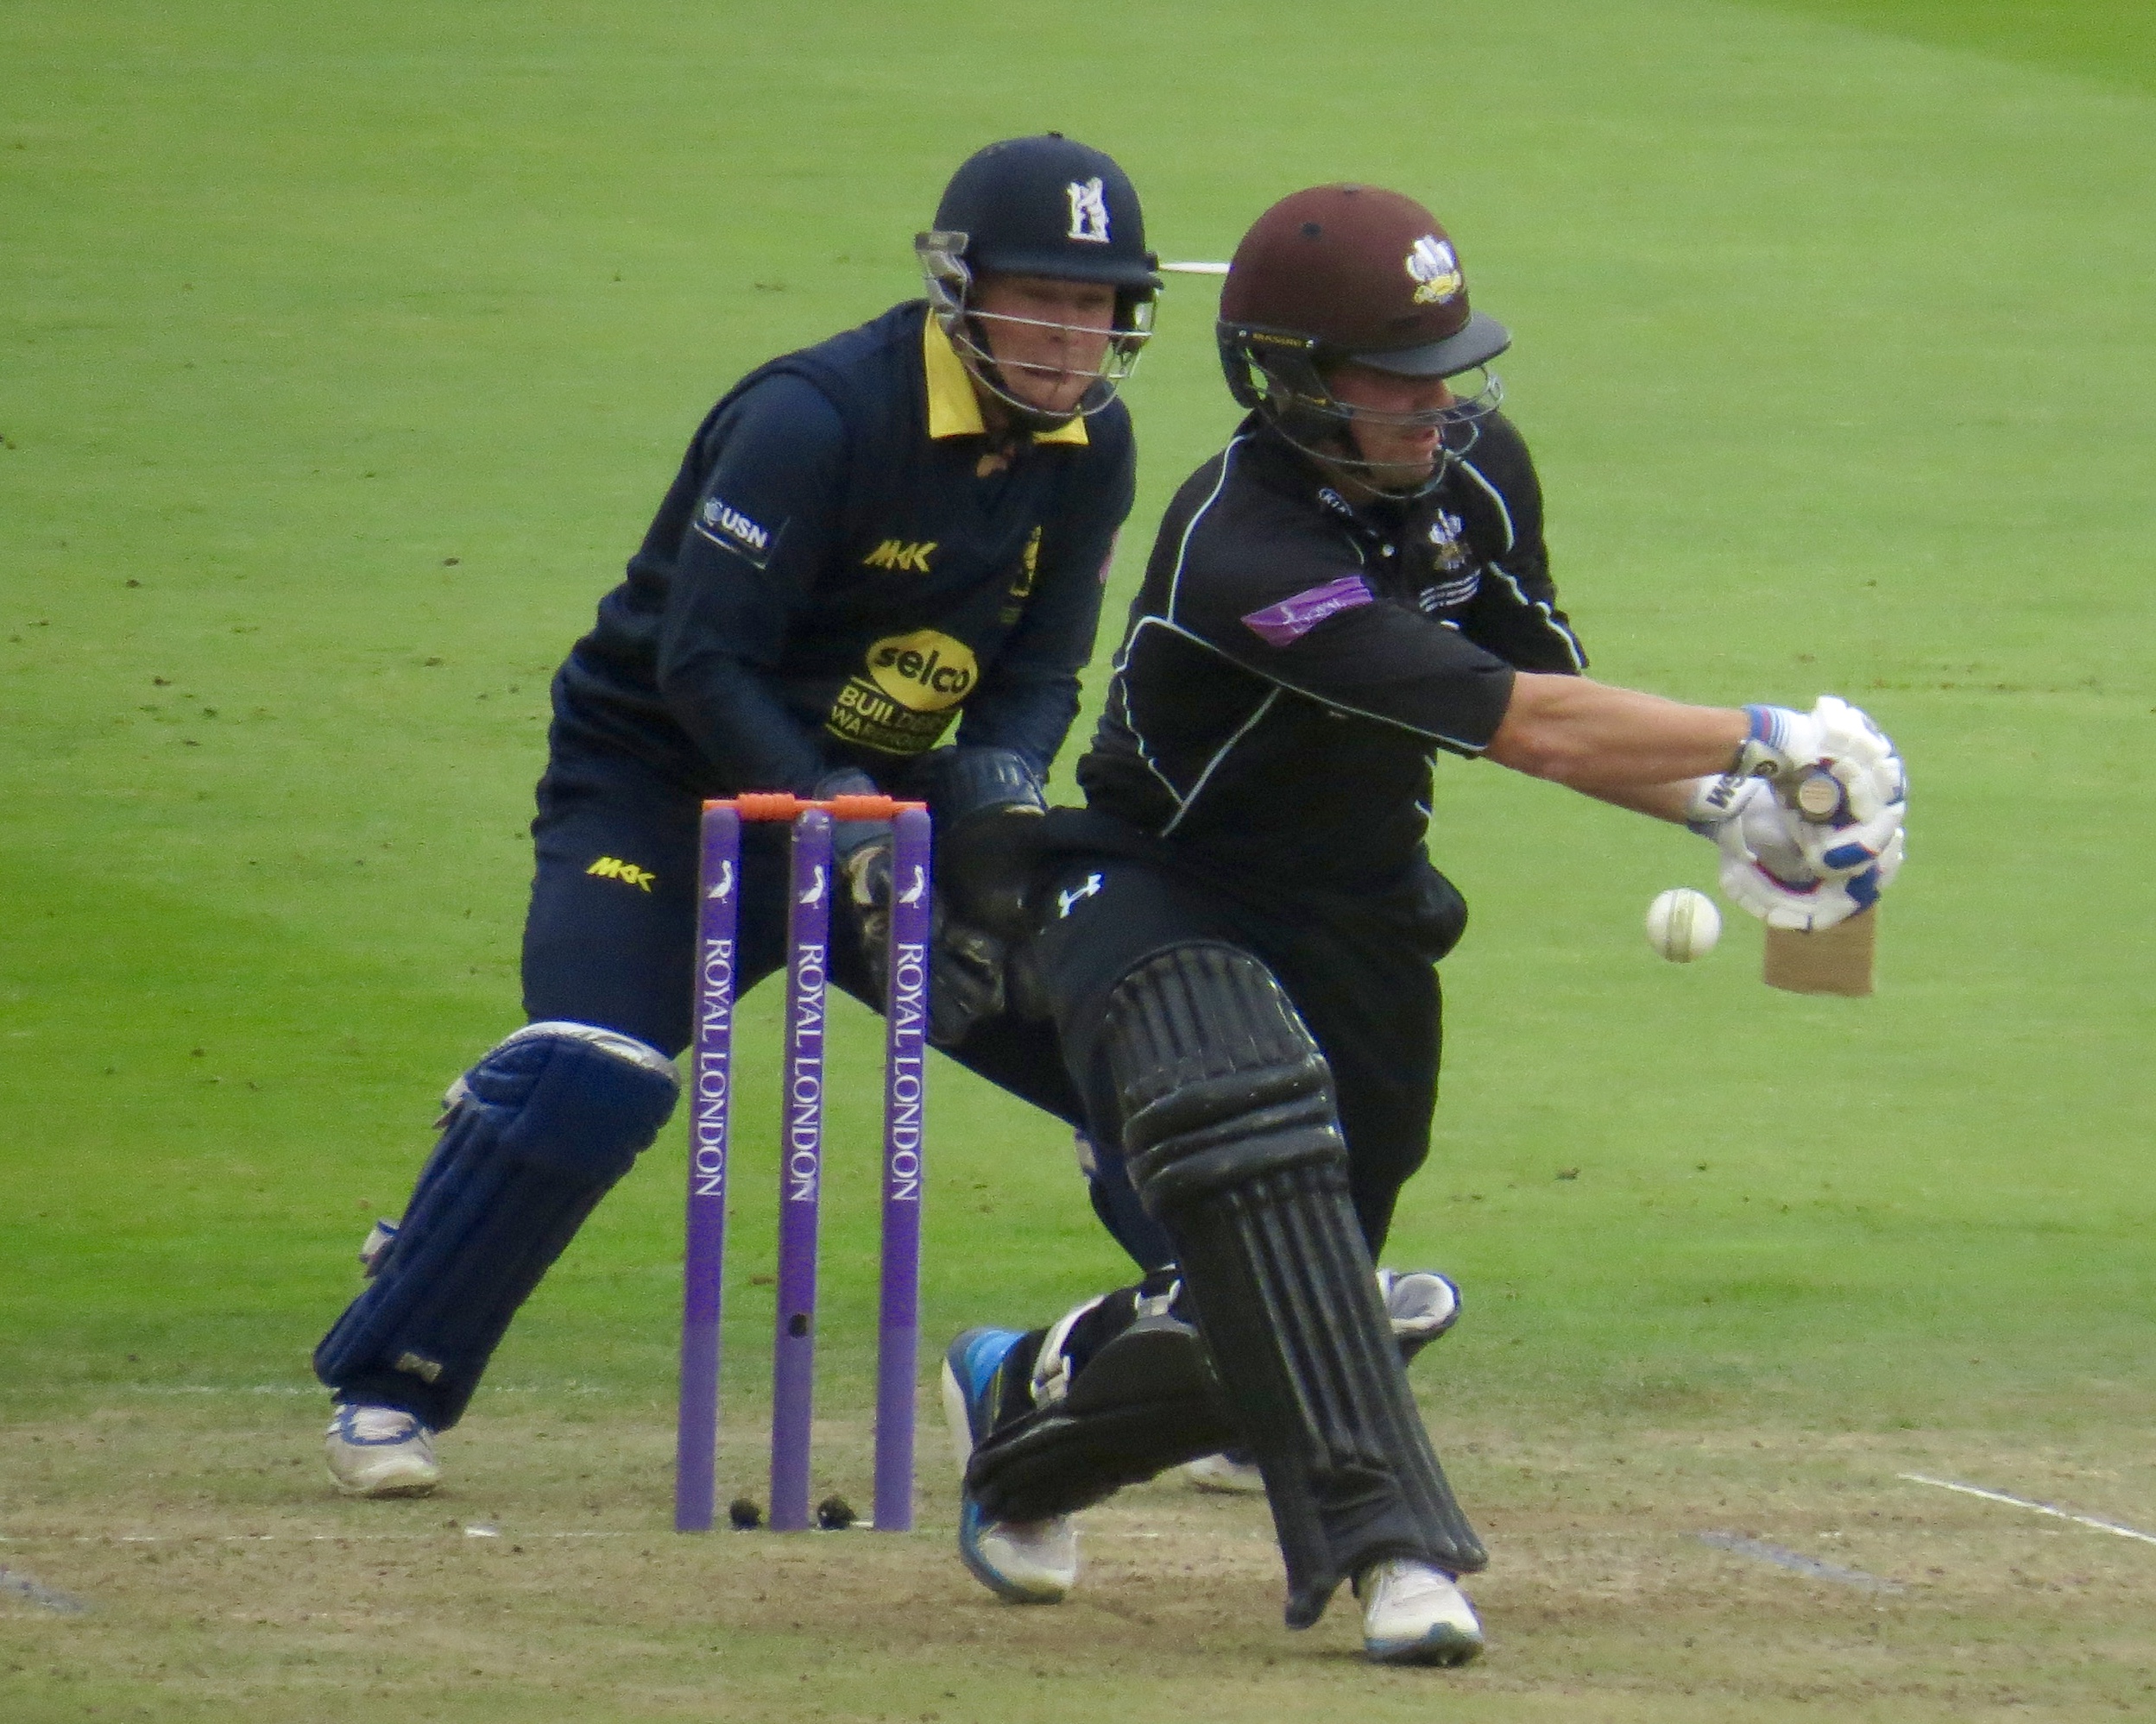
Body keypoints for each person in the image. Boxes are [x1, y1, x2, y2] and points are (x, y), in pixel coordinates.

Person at [935, 184, 1906, 1666]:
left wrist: (1732, 811)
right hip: (1158, 887)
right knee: (1266, 1184)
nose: (1433, 407)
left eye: (1448, 371)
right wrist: (1767, 738)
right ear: (1284, 376)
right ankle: (1396, 1554)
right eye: (1393, 380)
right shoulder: (1241, 547)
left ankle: (1028, 1398)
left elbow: (1556, 693)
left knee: (1281, 1304)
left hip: (1360, 903)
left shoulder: (1474, 473)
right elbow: (1525, 725)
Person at [313, 134, 1163, 1497]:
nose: (1071, 337)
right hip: (663, 790)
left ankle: (1223, 1366)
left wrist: (997, 805)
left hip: (882, 809)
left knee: (1126, 1042)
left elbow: (1040, 671)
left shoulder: (1089, 444)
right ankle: (387, 1381)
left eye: (1096, 304)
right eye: (1040, 299)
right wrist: (828, 809)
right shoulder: (813, 418)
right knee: (593, 1072)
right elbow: (701, 660)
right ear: (960, 289)